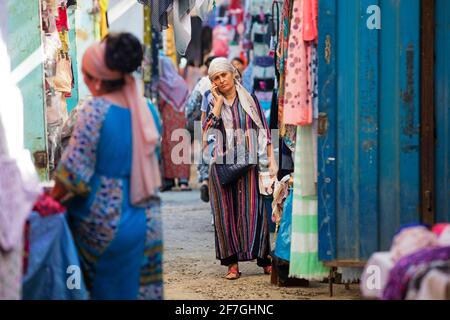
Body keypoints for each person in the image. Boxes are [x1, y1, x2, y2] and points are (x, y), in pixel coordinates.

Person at [51, 33, 164, 300]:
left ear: (96, 79)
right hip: (147, 218)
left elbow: (72, 177)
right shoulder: (149, 111)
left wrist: (47, 204)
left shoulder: (92, 112)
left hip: (104, 219)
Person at [202, 58, 277, 280]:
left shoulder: (249, 99)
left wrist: (271, 160)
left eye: (223, 75)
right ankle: (232, 265)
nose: (221, 80)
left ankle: (264, 260)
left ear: (232, 74)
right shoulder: (211, 102)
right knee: (226, 215)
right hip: (223, 169)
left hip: (248, 165)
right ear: (212, 83)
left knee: (254, 212)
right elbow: (206, 133)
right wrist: (216, 104)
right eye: (216, 78)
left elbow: (263, 128)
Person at [157, 55, 191, 191]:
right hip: (182, 117)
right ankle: (183, 180)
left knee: (167, 146)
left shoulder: (162, 82)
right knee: (181, 146)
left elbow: (160, 102)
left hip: (168, 117)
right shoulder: (180, 81)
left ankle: (169, 179)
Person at [185, 56, 216, 203]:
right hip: (219, 123)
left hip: (201, 122)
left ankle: (204, 180)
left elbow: (191, 104)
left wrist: (188, 118)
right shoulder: (226, 81)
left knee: (203, 151)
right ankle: (214, 181)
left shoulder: (203, 82)